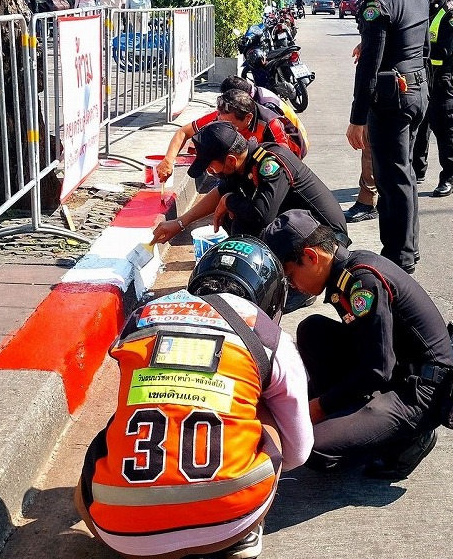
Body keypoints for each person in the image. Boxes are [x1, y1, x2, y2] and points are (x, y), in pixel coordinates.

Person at [76, 237, 311, 559]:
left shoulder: (142, 316)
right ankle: (242, 536)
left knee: (122, 419)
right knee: (259, 399)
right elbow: (298, 450)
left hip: (124, 537)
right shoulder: (269, 336)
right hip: (228, 524)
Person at [260, 210, 453, 479]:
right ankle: (353, 413)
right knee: (311, 330)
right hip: (395, 367)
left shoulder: (362, 281)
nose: (293, 286)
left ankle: (407, 441)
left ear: (311, 257)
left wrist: (320, 406)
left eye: (291, 276)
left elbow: (378, 369)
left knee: (310, 448)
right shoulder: (344, 272)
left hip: (421, 391)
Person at [346, 0, 428, 273]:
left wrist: (357, 118)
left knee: (390, 179)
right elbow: (417, 44)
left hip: (392, 97)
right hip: (417, 90)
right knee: (403, 173)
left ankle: (398, 259)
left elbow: (370, 64)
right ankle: (408, 248)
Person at [152, 122, 345, 247]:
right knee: (233, 219)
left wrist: (229, 200)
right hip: (302, 228)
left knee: (247, 221)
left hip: (328, 237)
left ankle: (289, 283)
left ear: (230, 160)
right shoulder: (241, 163)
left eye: (211, 166)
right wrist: (180, 223)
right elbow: (221, 192)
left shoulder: (270, 162)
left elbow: (262, 216)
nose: (210, 171)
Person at [156, 89, 305, 184]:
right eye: (220, 119)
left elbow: (285, 162)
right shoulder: (221, 117)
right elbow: (183, 132)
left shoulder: (270, 124)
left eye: (229, 124)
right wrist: (168, 160)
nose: (222, 126)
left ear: (248, 118)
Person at [412, 0, 453, 198]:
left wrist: (416, 50)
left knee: (444, 130)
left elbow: (444, 50)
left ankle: (449, 178)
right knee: (420, 126)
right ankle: (417, 170)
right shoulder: (429, 10)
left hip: (443, 80)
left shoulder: (452, 14)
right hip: (425, 77)